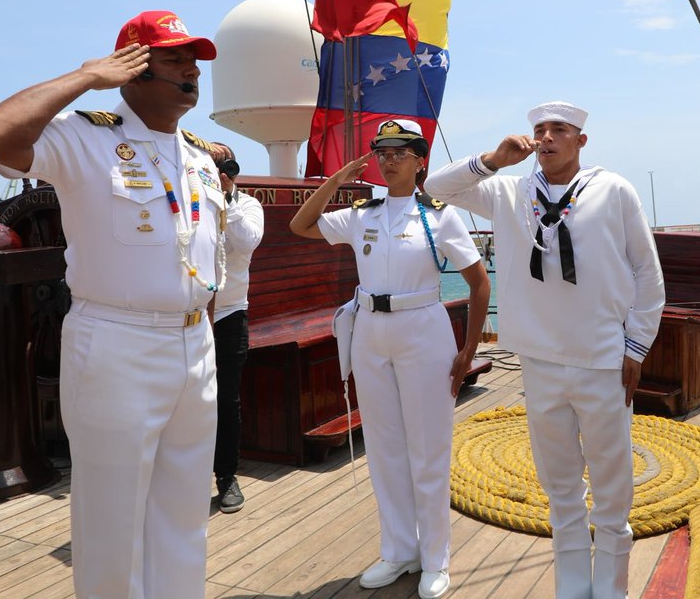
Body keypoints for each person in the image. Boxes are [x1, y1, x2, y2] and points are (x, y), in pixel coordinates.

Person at [0, 10, 224, 599]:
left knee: (184, 512)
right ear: (132, 68)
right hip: (117, 343)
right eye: (174, 58)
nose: (191, 71)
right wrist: (87, 76)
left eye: (195, 61)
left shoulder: (200, 156)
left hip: (194, 344)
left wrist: (201, 330)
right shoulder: (85, 135)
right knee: (112, 519)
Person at [425, 102, 665, 599]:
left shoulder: (614, 191)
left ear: (581, 140)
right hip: (539, 361)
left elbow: (647, 272)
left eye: (560, 129)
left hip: (602, 359)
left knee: (612, 488)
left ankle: (612, 591)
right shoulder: (510, 191)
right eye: (540, 129)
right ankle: (573, 590)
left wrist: (636, 347)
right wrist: (494, 159)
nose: (547, 137)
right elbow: (435, 188)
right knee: (560, 489)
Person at [289, 119, 490, 599]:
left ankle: (435, 558)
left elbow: (479, 283)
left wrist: (469, 348)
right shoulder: (361, 214)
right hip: (370, 331)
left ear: (421, 160)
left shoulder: (439, 216)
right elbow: (301, 225)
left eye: (400, 151)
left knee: (428, 448)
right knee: (384, 447)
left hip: (422, 329)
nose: (388, 158)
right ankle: (399, 549)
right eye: (382, 151)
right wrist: (335, 181)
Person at [209, 144, 264, 513]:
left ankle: (226, 476)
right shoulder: (187, 205)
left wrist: (225, 198)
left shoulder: (247, 206)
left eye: (220, 168)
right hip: (186, 316)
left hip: (228, 316)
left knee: (226, 401)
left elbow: (245, 243)